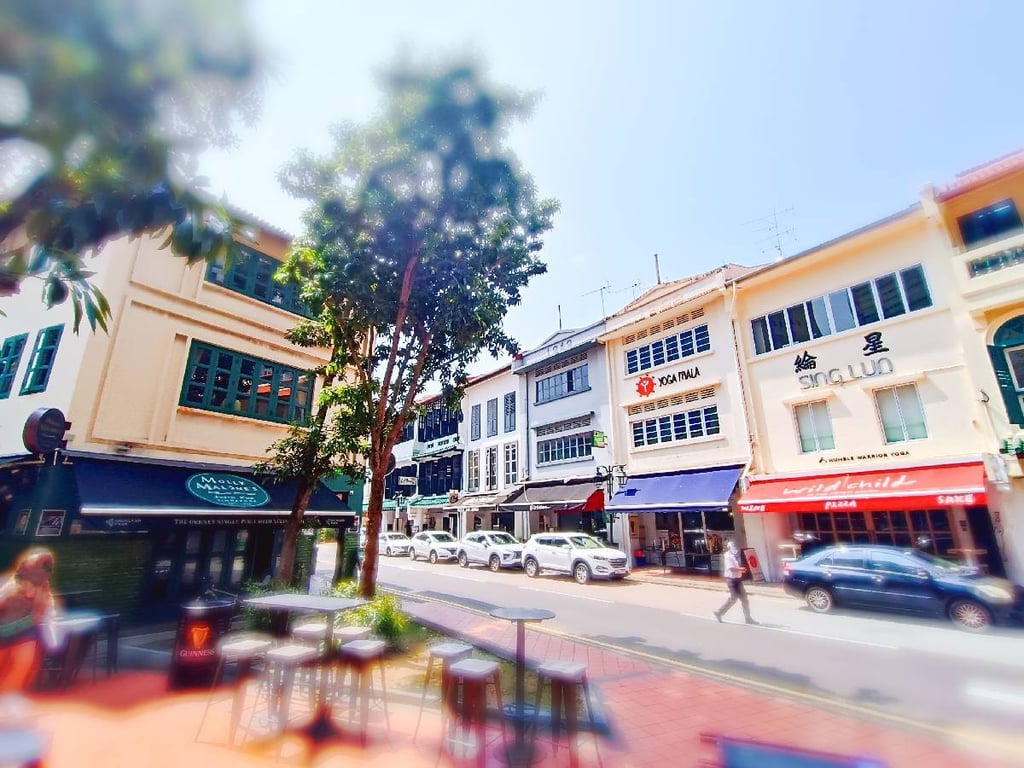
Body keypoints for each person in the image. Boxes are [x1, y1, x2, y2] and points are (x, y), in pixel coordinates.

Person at [0, 548, 58, 691]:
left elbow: (49, 616)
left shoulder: (44, 595)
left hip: (26, 633)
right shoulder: (10, 589)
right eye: (24, 582)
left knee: (24, 661)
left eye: (32, 585)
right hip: (3, 633)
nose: (27, 588)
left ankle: (7, 695)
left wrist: (52, 639)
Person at [714, 540, 757, 625]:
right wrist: (740, 569)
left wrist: (740, 570)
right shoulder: (728, 556)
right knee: (733, 598)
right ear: (729, 548)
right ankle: (719, 612)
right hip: (732, 580)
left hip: (737, 579)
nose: (735, 548)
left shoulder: (734, 556)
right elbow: (731, 569)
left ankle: (748, 618)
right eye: (733, 547)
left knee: (744, 599)